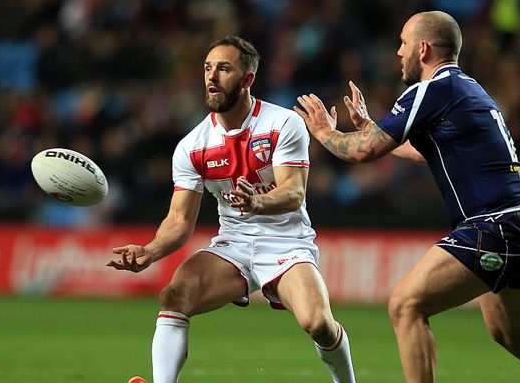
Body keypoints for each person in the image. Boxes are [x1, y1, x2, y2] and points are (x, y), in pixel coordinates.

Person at [295, 11, 520, 383]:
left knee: (405, 304)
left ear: (423, 48)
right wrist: (375, 131)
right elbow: (422, 149)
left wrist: (323, 132)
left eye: (403, 43)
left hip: (495, 226)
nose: (398, 52)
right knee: (514, 335)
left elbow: (362, 153)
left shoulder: (431, 90)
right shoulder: (465, 88)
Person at [107, 36, 357, 383]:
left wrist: (257, 202)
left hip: (286, 242)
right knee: (175, 295)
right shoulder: (191, 147)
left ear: (247, 79)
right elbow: (179, 220)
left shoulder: (282, 124)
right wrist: (149, 252)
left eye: (223, 69)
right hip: (235, 244)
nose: (211, 77)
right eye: (208, 68)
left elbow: (294, 192)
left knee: (318, 324)